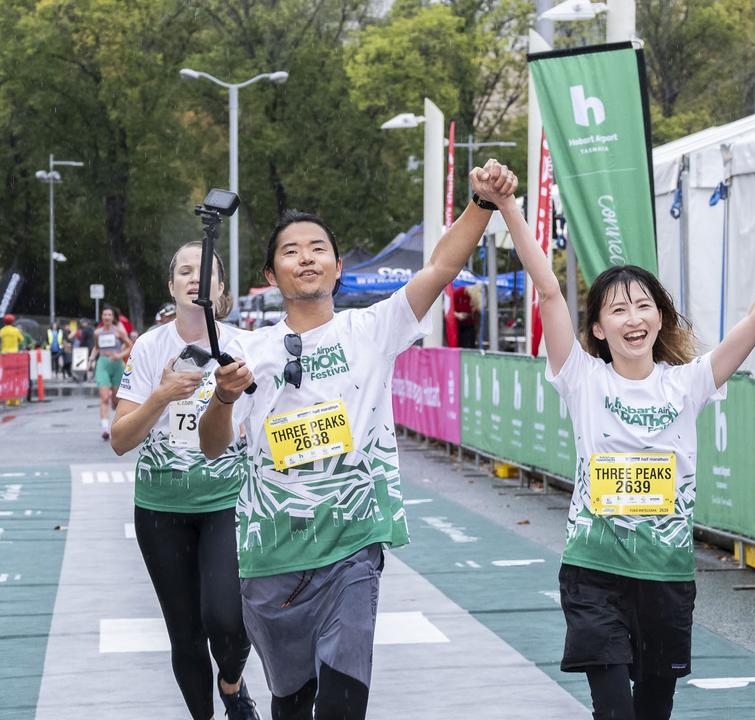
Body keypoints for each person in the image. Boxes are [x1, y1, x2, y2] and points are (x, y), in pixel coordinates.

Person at [197, 160, 517, 720]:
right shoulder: (247, 352)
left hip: (352, 549)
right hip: (274, 560)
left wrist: (482, 203)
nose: (306, 258)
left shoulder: (371, 330)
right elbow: (211, 445)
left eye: (318, 248)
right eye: (291, 251)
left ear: (338, 266)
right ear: (272, 275)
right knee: (292, 705)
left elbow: (442, 265)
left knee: (344, 703)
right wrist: (224, 397)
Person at [496, 180, 755, 718]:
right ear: (599, 329)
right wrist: (510, 207)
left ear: (659, 317)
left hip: (666, 575)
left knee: (653, 708)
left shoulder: (688, 382)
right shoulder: (581, 378)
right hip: (594, 572)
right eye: (618, 310)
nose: (634, 319)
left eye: (644, 306)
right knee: (614, 711)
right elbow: (550, 292)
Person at [110, 241, 259, 720]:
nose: (194, 278)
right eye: (184, 271)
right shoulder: (151, 347)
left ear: (220, 288)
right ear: (172, 286)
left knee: (230, 623)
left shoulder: (245, 347)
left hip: (227, 504)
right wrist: (161, 396)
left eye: (205, 271)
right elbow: (120, 439)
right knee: (186, 633)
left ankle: (232, 685)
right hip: (161, 510)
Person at [88, 306, 133, 440]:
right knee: (104, 398)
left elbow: (130, 345)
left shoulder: (119, 332)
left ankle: (116, 416)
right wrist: (91, 360)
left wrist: (119, 355)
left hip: (117, 365)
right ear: (102, 317)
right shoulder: (97, 333)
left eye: (109, 315)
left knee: (115, 400)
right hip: (102, 363)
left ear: (113, 317)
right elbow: (96, 348)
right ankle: (105, 428)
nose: (107, 317)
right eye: (105, 315)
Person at [452, 283, 479, 348]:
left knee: (470, 344)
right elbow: (450, 309)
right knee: (461, 345)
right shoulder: (458, 293)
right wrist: (457, 315)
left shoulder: (474, 296)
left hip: (470, 325)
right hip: (458, 326)